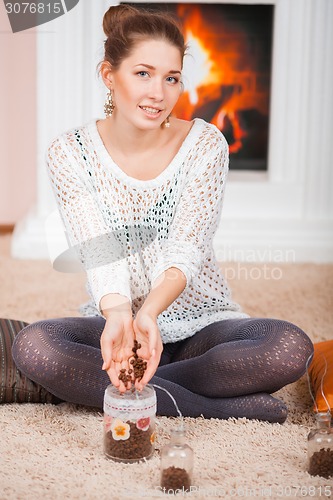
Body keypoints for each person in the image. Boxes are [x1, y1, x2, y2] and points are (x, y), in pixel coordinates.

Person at [11, 4, 313, 423]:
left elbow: (184, 248)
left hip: (199, 327)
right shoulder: (70, 152)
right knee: (34, 346)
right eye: (143, 73)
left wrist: (150, 313)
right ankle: (206, 406)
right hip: (117, 328)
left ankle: (136, 385)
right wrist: (120, 316)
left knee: (289, 347)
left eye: (171, 78)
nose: (159, 93)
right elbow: (100, 253)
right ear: (108, 75)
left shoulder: (205, 145)